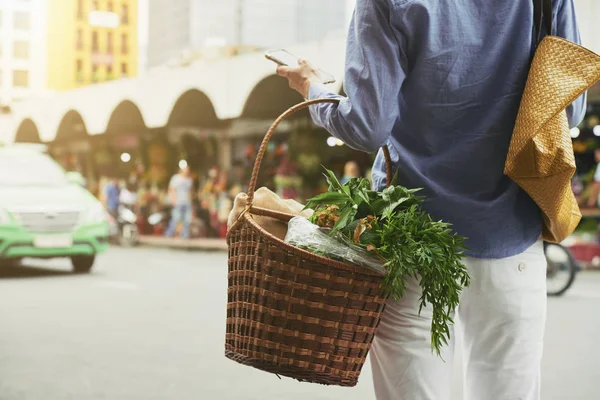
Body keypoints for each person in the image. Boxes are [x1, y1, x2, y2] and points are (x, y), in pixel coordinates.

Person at [276, 1, 585, 399]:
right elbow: (570, 109)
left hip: (409, 239)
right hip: (511, 237)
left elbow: (367, 127)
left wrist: (311, 87)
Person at [165, 166, 193, 239]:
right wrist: (173, 199)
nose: (186, 171)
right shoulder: (176, 178)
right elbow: (171, 189)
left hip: (186, 202)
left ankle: (185, 235)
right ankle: (168, 233)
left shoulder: (189, 180)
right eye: (185, 170)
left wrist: (190, 201)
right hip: (178, 202)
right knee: (176, 218)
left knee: (187, 219)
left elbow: (190, 192)